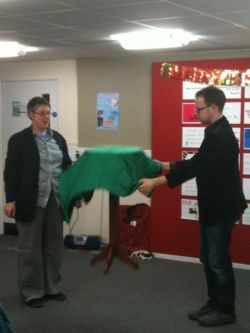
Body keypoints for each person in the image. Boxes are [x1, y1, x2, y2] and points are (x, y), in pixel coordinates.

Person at [139, 85, 247, 327]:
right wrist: (163, 164)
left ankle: (226, 309)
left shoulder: (222, 136)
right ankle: (213, 302)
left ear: (214, 107)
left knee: (218, 260)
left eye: (199, 109)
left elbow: (197, 167)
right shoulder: (214, 131)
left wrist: (157, 180)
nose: (196, 114)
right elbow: (198, 162)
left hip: (221, 208)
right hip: (211, 205)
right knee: (207, 258)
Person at [4, 96, 81, 308]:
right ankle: (31, 292)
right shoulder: (18, 140)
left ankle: (52, 288)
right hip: (31, 201)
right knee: (29, 249)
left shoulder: (58, 139)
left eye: (48, 113)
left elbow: (66, 168)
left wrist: (73, 195)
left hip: (56, 200)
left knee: (53, 246)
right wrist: (10, 199)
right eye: (42, 113)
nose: (46, 117)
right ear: (31, 115)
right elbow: (10, 173)